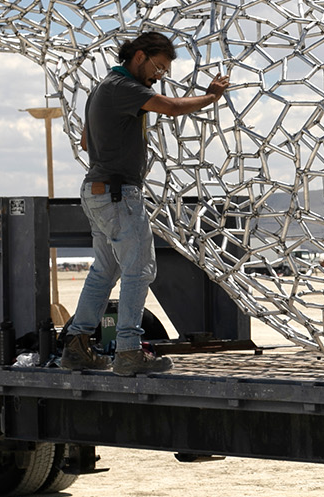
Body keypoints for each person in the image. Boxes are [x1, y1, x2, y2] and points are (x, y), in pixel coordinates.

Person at [60, 31, 229, 375]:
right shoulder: (124, 88)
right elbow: (170, 107)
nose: (159, 76)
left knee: (105, 270)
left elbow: (84, 140)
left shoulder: (101, 90)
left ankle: (77, 346)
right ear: (139, 56)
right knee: (140, 270)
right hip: (119, 193)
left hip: (97, 190)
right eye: (159, 66)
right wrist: (211, 96)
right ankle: (128, 351)